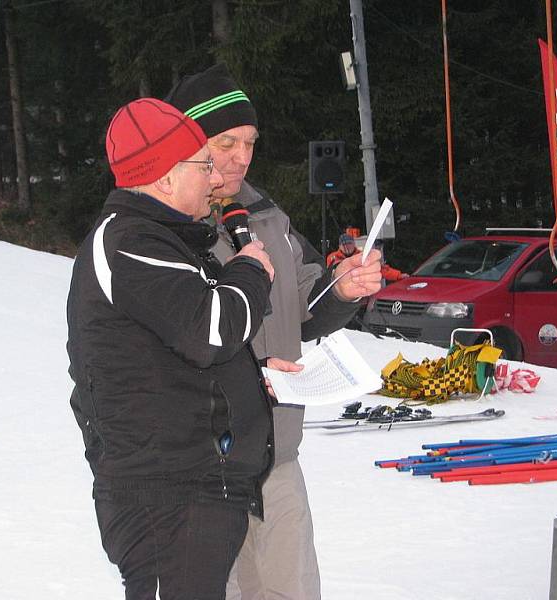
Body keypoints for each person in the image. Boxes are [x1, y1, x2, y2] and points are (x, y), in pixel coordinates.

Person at [166, 64, 384, 599]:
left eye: (250, 142)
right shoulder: (161, 228)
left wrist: (343, 288)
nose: (242, 156)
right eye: (227, 142)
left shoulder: (266, 216)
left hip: (276, 460)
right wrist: (247, 377)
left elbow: (304, 307)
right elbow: (160, 348)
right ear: (191, 143)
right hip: (200, 472)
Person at [66, 97, 278, 598]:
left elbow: (173, 352)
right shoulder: (129, 242)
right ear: (163, 177)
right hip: (166, 492)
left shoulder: (163, 240)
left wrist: (255, 372)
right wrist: (250, 269)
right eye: (203, 164)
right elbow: (210, 330)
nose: (213, 177)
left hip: (192, 485)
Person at [327, 233, 408, 282]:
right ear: (339, 246)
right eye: (344, 245)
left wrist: (398, 275)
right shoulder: (332, 258)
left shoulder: (363, 257)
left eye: (349, 244)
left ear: (354, 244)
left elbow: (380, 269)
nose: (347, 247)